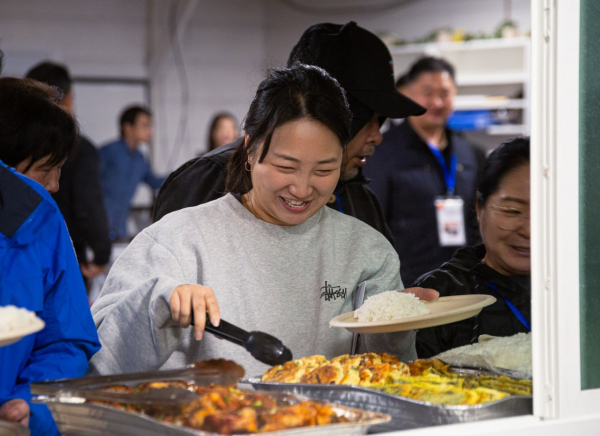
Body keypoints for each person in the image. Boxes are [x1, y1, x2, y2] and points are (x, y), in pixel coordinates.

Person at [89, 64, 437, 377]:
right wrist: (156, 303)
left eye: (324, 169)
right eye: (286, 167)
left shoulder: (367, 251)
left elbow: (390, 377)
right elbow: (97, 365)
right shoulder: (176, 242)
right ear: (250, 150)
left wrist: (398, 324)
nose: (301, 188)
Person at [152, 21, 426, 246]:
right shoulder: (207, 180)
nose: (378, 136)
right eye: (371, 119)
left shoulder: (356, 195)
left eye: (321, 171)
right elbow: (158, 291)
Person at [0, 77, 101, 435]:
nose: (55, 185)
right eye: (46, 169)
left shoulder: (43, 224)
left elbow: (64, 340)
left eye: (60, 169)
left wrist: (27, 404)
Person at [364, 56, 485, 286]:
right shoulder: (381, 151)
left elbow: (477, 219)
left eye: (444, 94)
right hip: (406, 285)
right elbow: (373, 226)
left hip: (463, 283)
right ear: (407, 94)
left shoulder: (469, 152)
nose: (437, 102)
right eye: (427, 93)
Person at [414, 137, 530, 358]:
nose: (529, 230)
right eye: (512, 211)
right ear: (479, 208)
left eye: (545, 212)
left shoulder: (581, 290)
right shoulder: (439, 295)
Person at [25, 61, 112, 282]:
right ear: (67, 98)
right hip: (65, 258)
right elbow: (87, 203)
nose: (52, 184)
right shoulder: (77, 147)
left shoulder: (13, 144)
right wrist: (101, 252)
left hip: (17, 257)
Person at [100, 105, 166, 241]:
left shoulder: (140, 158)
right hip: (98, 224)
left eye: (150, 126)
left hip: (120, 228)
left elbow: (154, 182)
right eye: (144, 126)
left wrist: (181, 172)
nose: (150, 131)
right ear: (128, 127)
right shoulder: (108, 152)